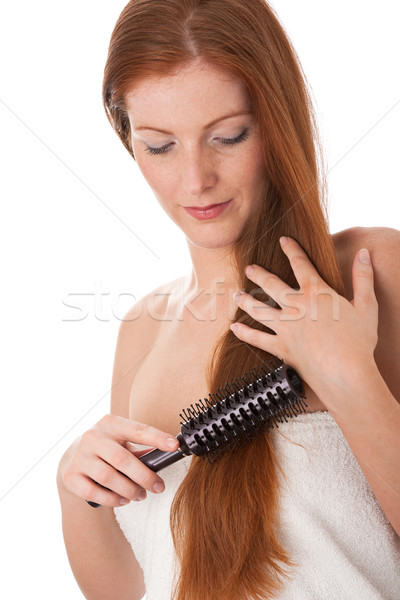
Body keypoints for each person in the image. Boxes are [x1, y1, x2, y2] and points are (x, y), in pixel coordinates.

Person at [56, 1, 400, 599]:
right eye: (160, 146)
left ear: (276, 120)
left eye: (229, 136)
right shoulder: (142, 329)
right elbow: (135, 586)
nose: (196, 180)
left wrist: (347, 375)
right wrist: (76, 492)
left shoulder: (371, 273)